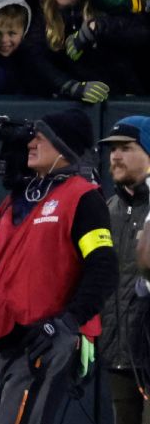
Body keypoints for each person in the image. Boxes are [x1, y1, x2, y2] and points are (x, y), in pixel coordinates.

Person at [0, 109, 117, 424]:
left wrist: (67, 323)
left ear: (63, 146)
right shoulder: (20, 199)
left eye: (40, 137)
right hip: (9, 338)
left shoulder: (82, 197)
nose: (31, 143)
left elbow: (104, 267)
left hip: (46, 336)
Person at [99, 117, 150, 424]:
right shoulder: (105, 210)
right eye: (112, 149)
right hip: (119, 355)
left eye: (126, 148)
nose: (115, 156)